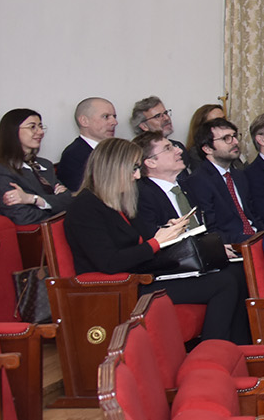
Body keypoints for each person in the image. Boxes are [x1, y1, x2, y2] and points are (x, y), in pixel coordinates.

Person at [64, 139, 251, 344]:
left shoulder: (118, 201)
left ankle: (239, 349)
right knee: (224, 283)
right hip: (124, 286)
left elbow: (141, 241)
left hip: (143, 272)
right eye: (134, 169)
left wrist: (166, 231)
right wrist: (157, 242)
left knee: (235, 271)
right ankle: (213, 351)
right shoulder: (85, 207)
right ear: (113, 169)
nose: (137, 176)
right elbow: (110, 262)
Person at [186, 118, 258, 242]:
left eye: (234, 136)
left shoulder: (238, 175)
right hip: (234, 244)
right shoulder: (199, 181)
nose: (235, 142)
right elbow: (210, 228)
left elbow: (253, 214)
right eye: (226, 138)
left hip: (255, 237)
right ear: (207, 149)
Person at [0, 107, 69, 225]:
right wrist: (57, 207)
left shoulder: (44, 164)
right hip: (35, 238)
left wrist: (33, 200)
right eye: (32, 127)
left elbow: (69, 199)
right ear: (13, 131)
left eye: (40, 126)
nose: (40, 132)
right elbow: (22, 216)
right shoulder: (3, 170)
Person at [57, 96, 119, 191]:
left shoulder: (117, 149)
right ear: (84, 121)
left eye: (114, 117)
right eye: (106, 117)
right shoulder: (73, 155)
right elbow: (81, 194)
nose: (114, 122)